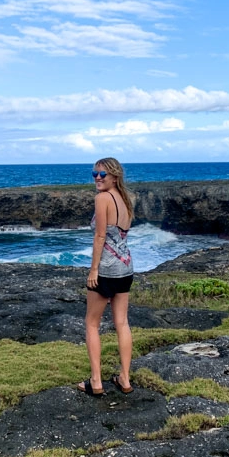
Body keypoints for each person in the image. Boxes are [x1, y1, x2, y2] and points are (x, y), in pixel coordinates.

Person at [78, 157, 134, 397]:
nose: (98, 178)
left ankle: (96, 381)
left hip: (106, 271)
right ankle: (125, 378)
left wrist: (93, 271)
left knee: (92, 324)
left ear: (114, 176)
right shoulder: (125, 200)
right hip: (126, 268)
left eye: (102, 174)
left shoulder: (102, 199)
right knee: (122, 323)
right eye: (95, 174)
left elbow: (100, 236)